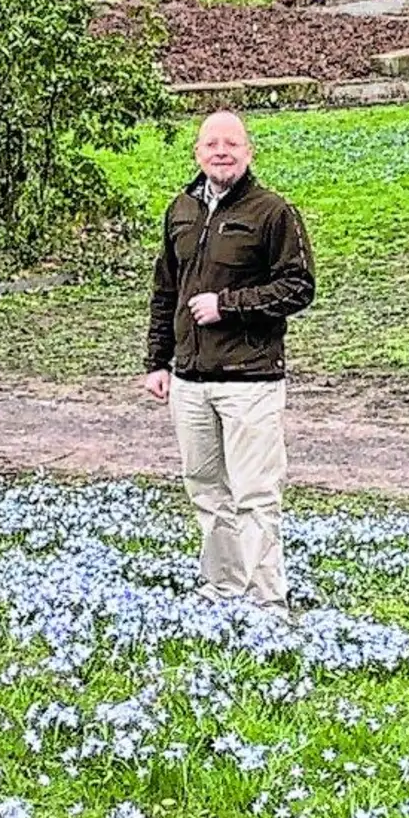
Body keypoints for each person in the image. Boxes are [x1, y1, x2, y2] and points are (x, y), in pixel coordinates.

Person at [143, 111, 316, 621]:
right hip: (190, 380)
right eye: (212, 144)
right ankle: (222, 587)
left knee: (255, 494)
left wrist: (228, 305)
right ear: (197, 153)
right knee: (205, 488)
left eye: (232, 144)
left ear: (248, 152)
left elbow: (298, 287)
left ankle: (267, 601)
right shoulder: (181, 210)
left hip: (250, 380)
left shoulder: (273, 212)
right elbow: (166, 291)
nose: (222, 152)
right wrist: (157, 361)